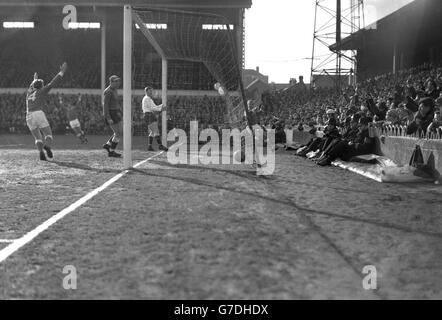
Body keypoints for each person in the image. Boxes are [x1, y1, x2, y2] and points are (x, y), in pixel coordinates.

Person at [26, 62, 68, 161]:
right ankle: (47, 146)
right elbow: (52, 83)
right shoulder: (41, 91)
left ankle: (41, 152)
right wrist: (61, 72)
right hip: (38, 113)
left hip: (28, 115)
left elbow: (31, 86)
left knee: (37, 138)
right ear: (41, 86)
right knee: (48, 134)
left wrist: (34, 79)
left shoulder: (29, 93)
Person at [142, 86, 168, 151]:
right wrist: (161, 108)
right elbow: (153, 108)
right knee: (156, 131)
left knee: (152, 132)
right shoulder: (147, 98)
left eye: (152, 91)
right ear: (146, 91)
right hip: (149, 115)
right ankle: (160, 146)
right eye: (150, 91)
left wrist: (160, 106)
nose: (151, 92)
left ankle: (149, 146)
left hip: (148, 115)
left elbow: (154, 107)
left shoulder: (147, 98)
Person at [102, 75, 123, 157]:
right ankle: (111, 151)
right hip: (111, 113)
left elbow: (116, 103)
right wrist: (108, 117)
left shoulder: (115, 90)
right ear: (111, 82)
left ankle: (107, 145)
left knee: (119, 132)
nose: (119, 83)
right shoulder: (108, 91)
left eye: (119, 81)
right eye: (116, 81)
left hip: (115, 112)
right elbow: (105, 106)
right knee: (118, 133)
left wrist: (120, 111)